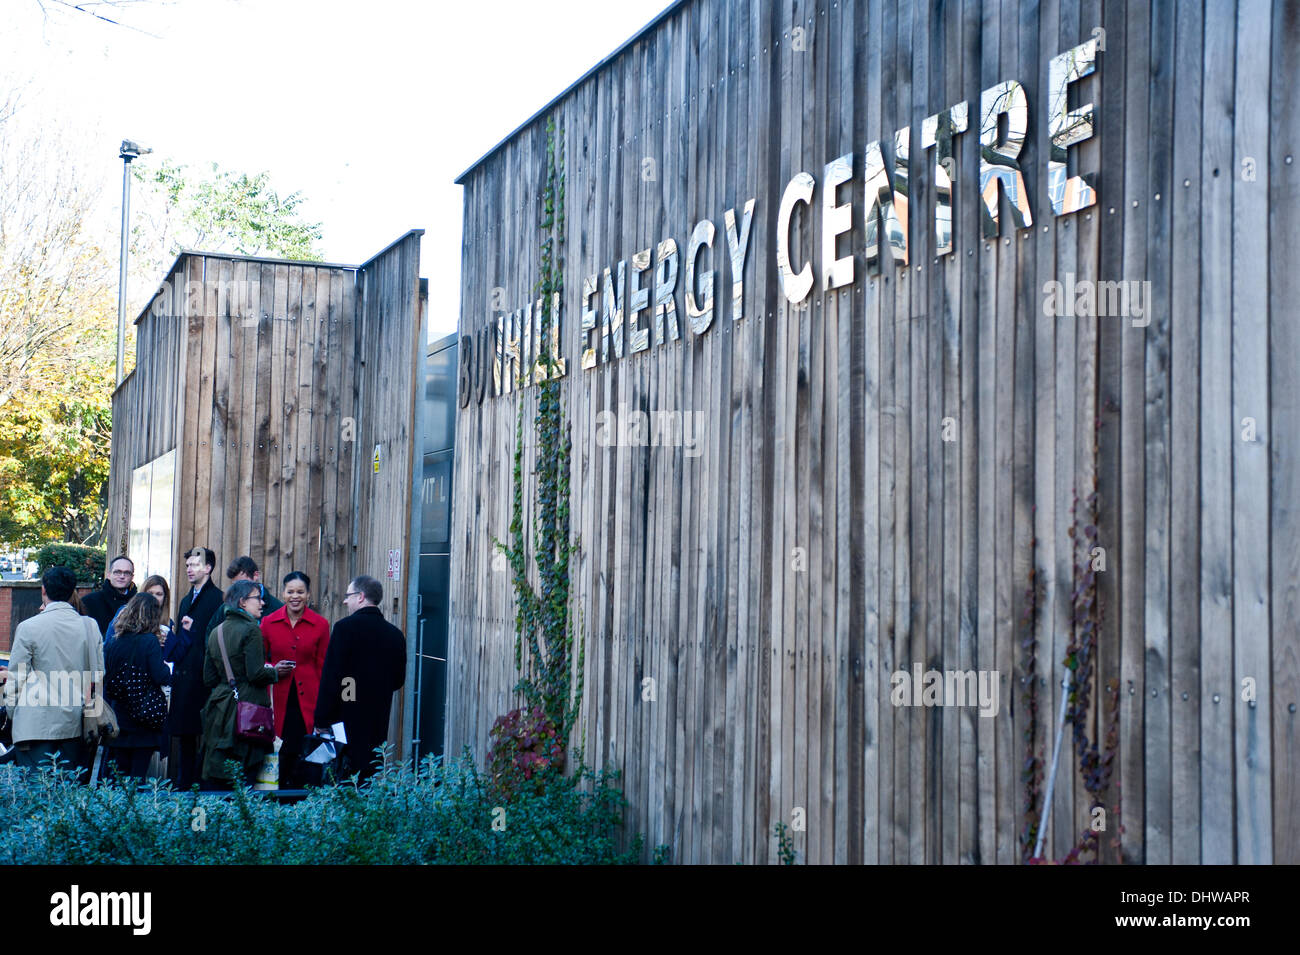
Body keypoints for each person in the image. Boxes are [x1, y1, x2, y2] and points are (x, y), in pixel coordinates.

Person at [0, 567, 104, 775]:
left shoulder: (29, 627)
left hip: (33, 721)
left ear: (43, 590)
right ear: (72, 591)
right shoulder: (90, 626)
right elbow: (97, 675)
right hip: (75, 721)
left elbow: (16, 678)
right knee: (67, 795)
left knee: (36, 794)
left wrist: (12, 713)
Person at [314, 575, 406, 782]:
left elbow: (332, 677)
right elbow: (398, 680)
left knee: (344, 774)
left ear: (361, 597)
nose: (345, 601)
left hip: (346, 716)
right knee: (371, 772)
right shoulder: (395, 634)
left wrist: (321, 718)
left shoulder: (344, 629)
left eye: (348, 596)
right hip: (378, 716)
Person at [199, 580, 286, 788]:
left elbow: (208, 678)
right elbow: (255, 674)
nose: (262, 603)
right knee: (244, 778)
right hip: (247, 711)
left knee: (221, 776)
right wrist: (274, 672)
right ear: (242, 602)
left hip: (219, 709)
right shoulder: (251, 630)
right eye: (257, 598)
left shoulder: (216, 632)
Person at [259, 571, 329, 788]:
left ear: (308, 594)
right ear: (283, 593)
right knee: (279, 756)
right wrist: (273, 669)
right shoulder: (268, 622)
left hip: (309, 703)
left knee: (307, 759)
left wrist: (325, 709)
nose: (295, 596)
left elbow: (324, 667)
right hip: (277, 702)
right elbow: (259, 662)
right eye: (290, 591)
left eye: (300, 591)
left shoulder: (320, 624)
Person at [165, 547, 224, 790]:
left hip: (206, 675)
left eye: (195, 565)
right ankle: (184, 782)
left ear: (208, 568)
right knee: (186, 734)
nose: (190, 569)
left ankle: (204, 782)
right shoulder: (186, 599)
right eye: (188, 565)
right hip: (185, 675)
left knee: (208, 732)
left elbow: (216, 637)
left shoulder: (217, 598)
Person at [103, 593, 171, 781]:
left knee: (120, 777)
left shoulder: (114, 641)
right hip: (144, 719)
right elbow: (160, 675)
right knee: (138, 778)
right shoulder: (149, 641)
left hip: (119, 716)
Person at [204, 556, 283, 642]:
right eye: (235, 585)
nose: (239, 588)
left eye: (243, 582)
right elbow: (210, 634)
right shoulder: (227, 607)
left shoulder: (276, 608)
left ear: (256, 575)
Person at [105, 575, 172, 648]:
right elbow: (110, 644)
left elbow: (173, 654)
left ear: (165, 598)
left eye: (159, 594)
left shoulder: (168, 623)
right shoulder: (125, 613)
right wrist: (151, 642)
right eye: (150, 593)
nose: (154, 598)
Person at [80, 555, 138, 637]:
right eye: (117, 572)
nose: (122, 576)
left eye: (127, 573)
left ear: (132, 577)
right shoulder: (89, 602)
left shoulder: (139, 603)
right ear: (109, 575)